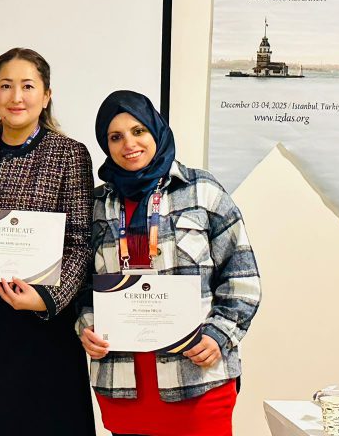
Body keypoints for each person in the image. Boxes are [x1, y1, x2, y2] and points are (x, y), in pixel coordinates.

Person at [76, 90, 261, 436]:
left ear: (156, 131)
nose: (128, 144)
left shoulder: (201, 189)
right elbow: (82, 284)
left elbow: (242, 277)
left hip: (198, 378)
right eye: (115, 137)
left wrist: (219, 335)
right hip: (123, 383)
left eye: (138, 131)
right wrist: (87, 326)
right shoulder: (98, 204)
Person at [0, 48, 95, 435]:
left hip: (44, 320)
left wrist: (46, 299)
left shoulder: (69, 153)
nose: (16, 97)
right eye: (6, 85)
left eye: (28, 86)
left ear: (46, 95)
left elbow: (81, 242)